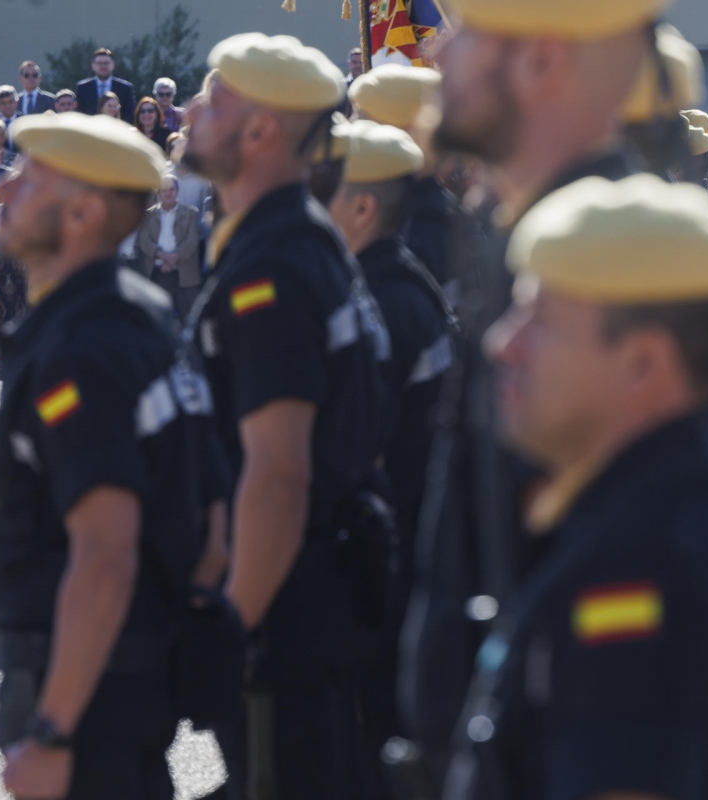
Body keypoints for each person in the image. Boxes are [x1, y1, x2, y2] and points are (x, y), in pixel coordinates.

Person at [444, 171, 708, 799]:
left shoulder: (646, 558)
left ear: (643, 364)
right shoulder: (674, 506)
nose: (504, 345)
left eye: (540, 320)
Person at [400, 0, 670, 778]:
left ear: (544, 61)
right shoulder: (526, 238)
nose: (440, 54)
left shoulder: (606, 266)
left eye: (467, 32)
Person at [0, 110, 230, 800]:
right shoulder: (142, 315)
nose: (2, 192)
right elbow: (212, 517)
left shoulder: (82, 349)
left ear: (85, 212)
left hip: (87, 698)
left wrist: (56, 729)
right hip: (132, 680)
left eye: (28, 181)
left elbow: (103, 555)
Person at [183, 33, 388, 798]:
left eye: (213, 98)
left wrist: (231, 626)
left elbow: (278, 470)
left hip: (280, 617)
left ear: (262, 130)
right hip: (311, 601)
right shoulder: (299, 242)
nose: (193, 112)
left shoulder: (271, 265)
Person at [325, 118, 456, 797]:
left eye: (327, 187)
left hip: (384, 563)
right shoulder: (389, 283)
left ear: (363, 207)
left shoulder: (382, 298)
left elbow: (358, 445)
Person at [348, 63, 486, 303]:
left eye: (361, 117)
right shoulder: (418, 209)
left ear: (405, 134)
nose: (349, 128)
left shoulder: (427, 225)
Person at [135, 174, 200, 321]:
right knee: (158, 321)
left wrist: (172, 260)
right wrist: (163, 256)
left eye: (171, 189)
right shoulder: (149, 214)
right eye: (164, 190)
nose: (168, 193)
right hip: (157, 274)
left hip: (183, 275)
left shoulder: (190, 213)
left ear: (177, 191)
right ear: (158, 194)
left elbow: (192, 241)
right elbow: (144, 241)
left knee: (191, 320)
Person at [76, 48, 136, 123]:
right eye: (99, 63)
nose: (103, 66)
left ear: (113, 65)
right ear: (93, 66)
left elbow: (129, 116)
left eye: (106, 63)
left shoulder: (125, 88)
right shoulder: (83, 87)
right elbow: (79, 114)